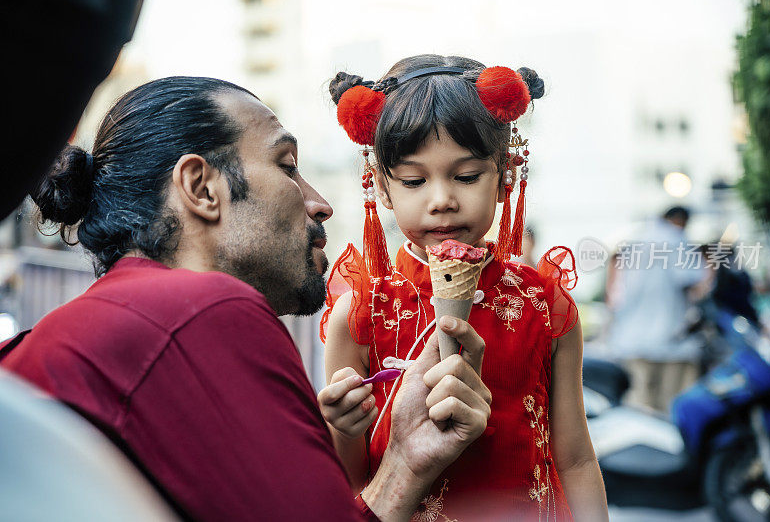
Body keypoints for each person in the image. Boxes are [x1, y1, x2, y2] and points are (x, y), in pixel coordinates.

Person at [0, 76, 492, 522]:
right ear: (200, 188)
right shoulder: (205, 310)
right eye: (287, 167)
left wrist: (405, 461)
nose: (321, 203)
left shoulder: (83, 331)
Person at [319, 55, 607, 521]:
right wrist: (344, 428)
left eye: (467, 176)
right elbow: (349, 484)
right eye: (414, 180)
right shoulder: (359, 315)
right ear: (383, 190)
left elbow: (574, 457)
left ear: (505, 177)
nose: (442, 200)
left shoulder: (545, 306)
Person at [606, 206, 705, 412]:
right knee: (669, 410)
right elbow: (694, 284)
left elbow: (615, 289)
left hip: (631, 339)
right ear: (681, 221)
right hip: (670, 341)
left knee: (638, 410)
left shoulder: (635, 238)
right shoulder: (676, 240)